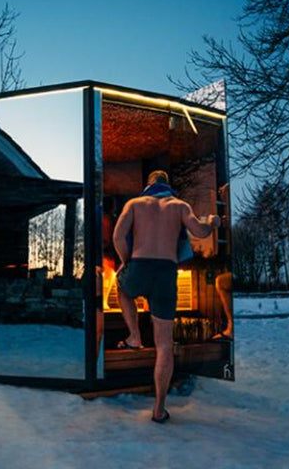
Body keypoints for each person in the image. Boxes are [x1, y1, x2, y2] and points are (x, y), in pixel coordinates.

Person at [113, 170, 221, 423]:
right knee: (164, 344)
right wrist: (214, 222)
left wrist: (125, 262)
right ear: (168, 185)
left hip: (139, 265)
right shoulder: (180, 206)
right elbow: (201, 232)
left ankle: (134, 335)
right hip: (166, 272)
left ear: (149, 184)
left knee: (122, 289)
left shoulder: (135, 203)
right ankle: (159, 409)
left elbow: (117, 236)